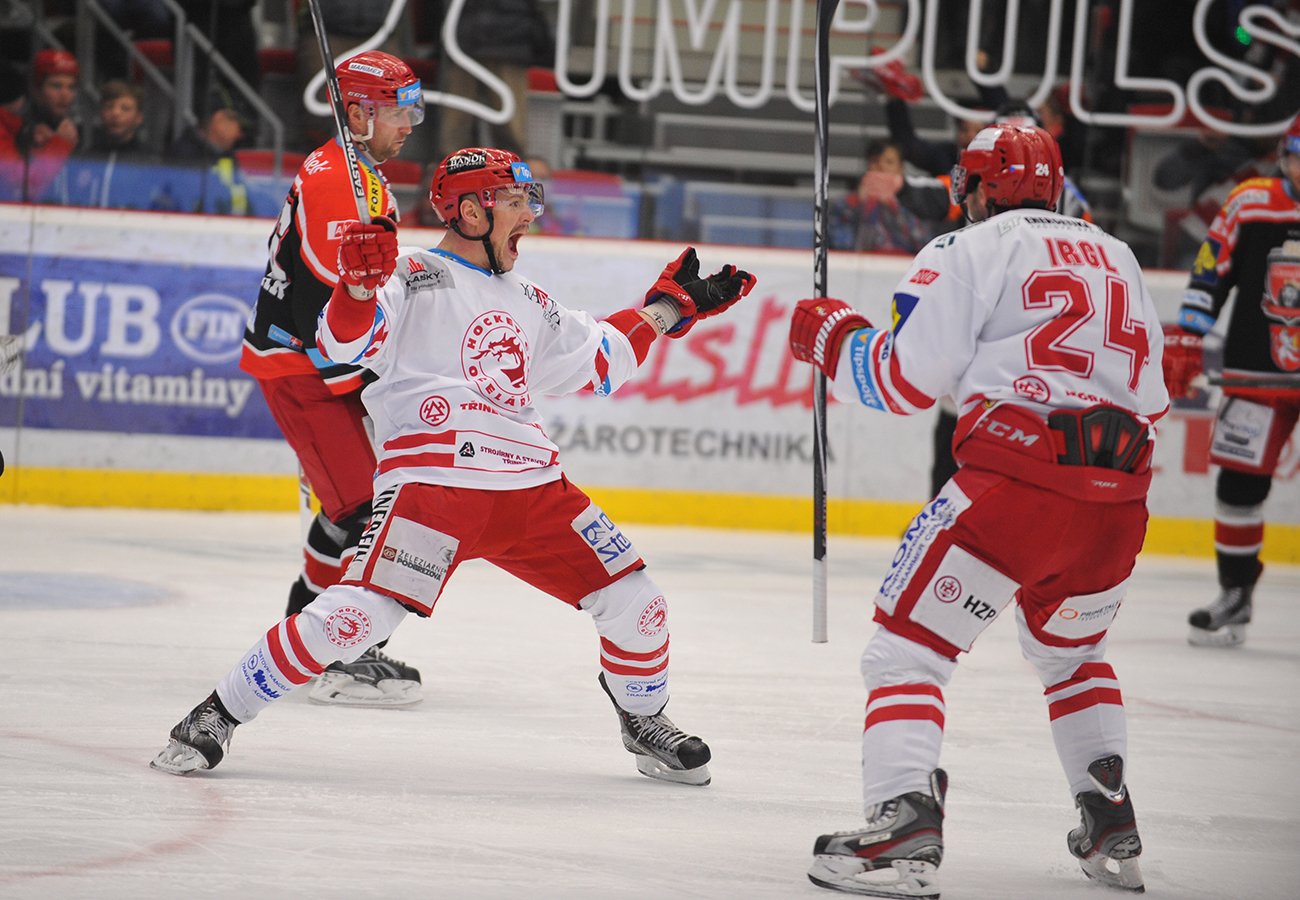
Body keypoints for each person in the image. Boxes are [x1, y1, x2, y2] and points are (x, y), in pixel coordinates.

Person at [151, 146, 756, 786]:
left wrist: (670, 307)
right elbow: (342, 340)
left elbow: (601, 359)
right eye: (516, 202)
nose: (530, 214)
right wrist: (355, 288)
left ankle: (644, 719)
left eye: (529, 201)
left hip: (535, 490)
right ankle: (217, 713)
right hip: (434, 490)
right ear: (470, 212)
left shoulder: (530, 299)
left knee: (639, 604)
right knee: (355, 620)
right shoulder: (410, 274)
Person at [788, 125, 1167, 896]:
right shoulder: (1118, 254)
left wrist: (834, 338)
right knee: (1072, 657)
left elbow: (900, 383)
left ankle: (902, 828)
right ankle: (1109, 819)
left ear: (981, 187)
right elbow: (1154, 399)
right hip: (1119, 503)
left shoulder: (967, 249)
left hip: (1013, 487)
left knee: (907, 651)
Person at [236, 51, 428, 707]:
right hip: (302, 368)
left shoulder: (354, 170)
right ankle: (339, 652)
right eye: (400, 111)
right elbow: (320, 298)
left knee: (354, 505)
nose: (410, 125)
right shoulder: (338, 183)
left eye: (413, 110)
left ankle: (304, 624)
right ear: (358, 113)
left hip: (312, 365)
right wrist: (370, 383)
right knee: (368, 511)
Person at [1162, 111, 1300, 648]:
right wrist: (1191, 333)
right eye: (1297, 157)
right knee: (1239, 487)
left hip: (1259, 371)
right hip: (1256, 372)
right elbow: (1210, 267)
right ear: (1283, 156)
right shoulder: (1251, 202)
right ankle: (1235, 593)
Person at [435, 0, 554, 162]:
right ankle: (455, 172)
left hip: (505, 40)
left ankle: (510, 171)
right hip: (468, 37)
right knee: (456, 127)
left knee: (510, 129)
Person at [829, 139, 945, 254]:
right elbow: (841, 246)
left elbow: (927, 244)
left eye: (889, 162)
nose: (881, 167)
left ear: (901, 168)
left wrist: (894, 208)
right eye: (875, 161)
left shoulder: (919, 204)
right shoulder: (845, 205)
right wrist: (861, 206)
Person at [60, 78, 159, 209]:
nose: (115, 113)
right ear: (101, 113)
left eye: (125, 109)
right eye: (109, 106)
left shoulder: (150, 161)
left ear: (139, 118)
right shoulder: (88, 157)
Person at [161, 106, 257, 215]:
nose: (239, 134)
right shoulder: (184, 154)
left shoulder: (228, 156)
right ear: (219, 121)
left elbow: (239, 191)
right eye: (238, 126)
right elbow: (184, 198)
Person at [14, 48, 81, 203]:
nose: (65, 95)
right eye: (56, 86)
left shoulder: (74, 130)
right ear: (36, 89)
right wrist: (59, 145)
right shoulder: (13, 128)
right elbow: (22, 188)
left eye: (71, 87)